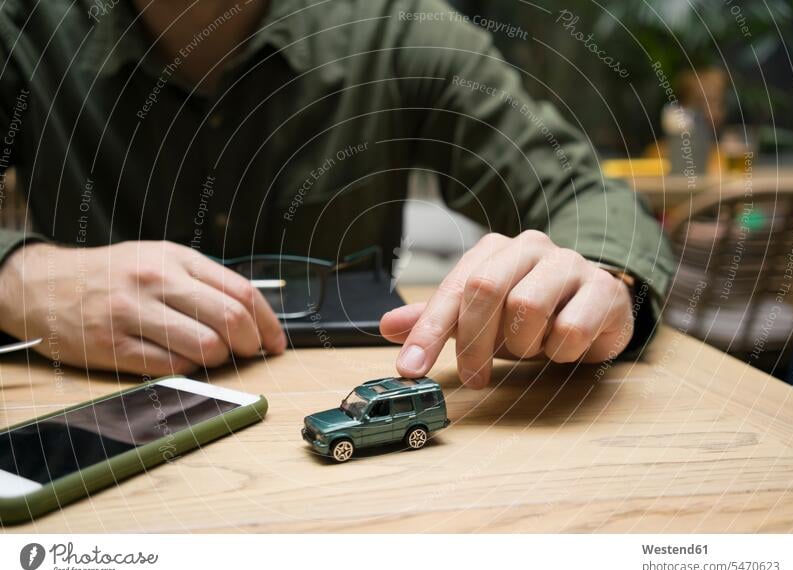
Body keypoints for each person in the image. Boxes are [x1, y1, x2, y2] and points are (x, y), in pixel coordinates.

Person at [0, 0, 674, 388]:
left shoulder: (396, 22)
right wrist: (19, 275)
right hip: (86, 451)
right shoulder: (23, 26)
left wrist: (601, 277)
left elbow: (583, 194)